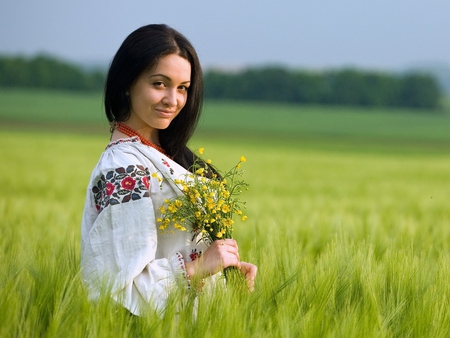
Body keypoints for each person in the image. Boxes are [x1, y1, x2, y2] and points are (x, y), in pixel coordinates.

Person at [81, 24, 257, 316]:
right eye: (159, 84)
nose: (172, 100)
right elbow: (116, 288)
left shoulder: (166, 155)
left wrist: (226, 274)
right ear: (127, 82)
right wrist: (199, 268)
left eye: (182, 88)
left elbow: (180, 246)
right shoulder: (125, 168)